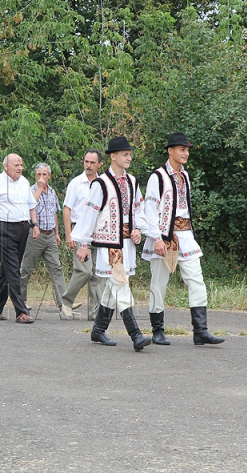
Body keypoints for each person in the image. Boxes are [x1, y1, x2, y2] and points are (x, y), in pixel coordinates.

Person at [141, 132, 224, 346]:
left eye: (187, 150)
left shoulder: (185, 176)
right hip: (164, 236)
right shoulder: (157, 177)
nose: (186, 153)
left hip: (185, 234)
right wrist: (156, 238)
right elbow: (149, 209)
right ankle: (158, 330)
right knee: (159, 283)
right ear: (170, 151)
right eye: (182, 149)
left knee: (196, 279)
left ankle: (201, 330)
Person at [71, 136, 151, 351]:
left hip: (126, 243)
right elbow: (90, 214)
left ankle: (98, 330)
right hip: (109, 244)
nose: (129, 157)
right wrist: (83, 244)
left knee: (112, 288)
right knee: (120, 284)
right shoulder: (101, 184)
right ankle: (135, 334)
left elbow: (138, 210)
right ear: (112, 156)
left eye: (130, 154)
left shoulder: (133, 182)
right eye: (125, 154)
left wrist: (138, 229)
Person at [0, 153, 39, 324]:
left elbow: (31, 205)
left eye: (21, 165)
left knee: (8, 270)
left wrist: (35, 225)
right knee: (13, 271)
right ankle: (21, 311)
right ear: (6, 166)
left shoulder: (24, 182)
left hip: (22, 228)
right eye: (16, 165)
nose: (20, 168)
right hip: (4, 229)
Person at [61, 149, 106, 320]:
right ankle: (66, 301)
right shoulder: (76, 183)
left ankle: (95, 313)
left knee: (98, 274)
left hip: (99, 233)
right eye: (86, 162)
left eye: (92, 162)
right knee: (84, 271)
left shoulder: (103, 183)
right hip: (80, 232)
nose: (88, 165)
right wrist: (69, 234)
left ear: (100, 164)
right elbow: (67, 209)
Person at [19, 162, 67, 316]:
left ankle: (64, 303)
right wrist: (39, 188)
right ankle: (20, 301)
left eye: (44, 175)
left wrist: (57, 233)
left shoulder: (52, 192)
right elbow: (28, 207)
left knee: (56, 269)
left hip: (50, 235)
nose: (41, 177)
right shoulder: (31, 190)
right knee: (26, 269)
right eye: (38, 174)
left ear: (49, 176)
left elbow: (54, 213)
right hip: (35, 235)